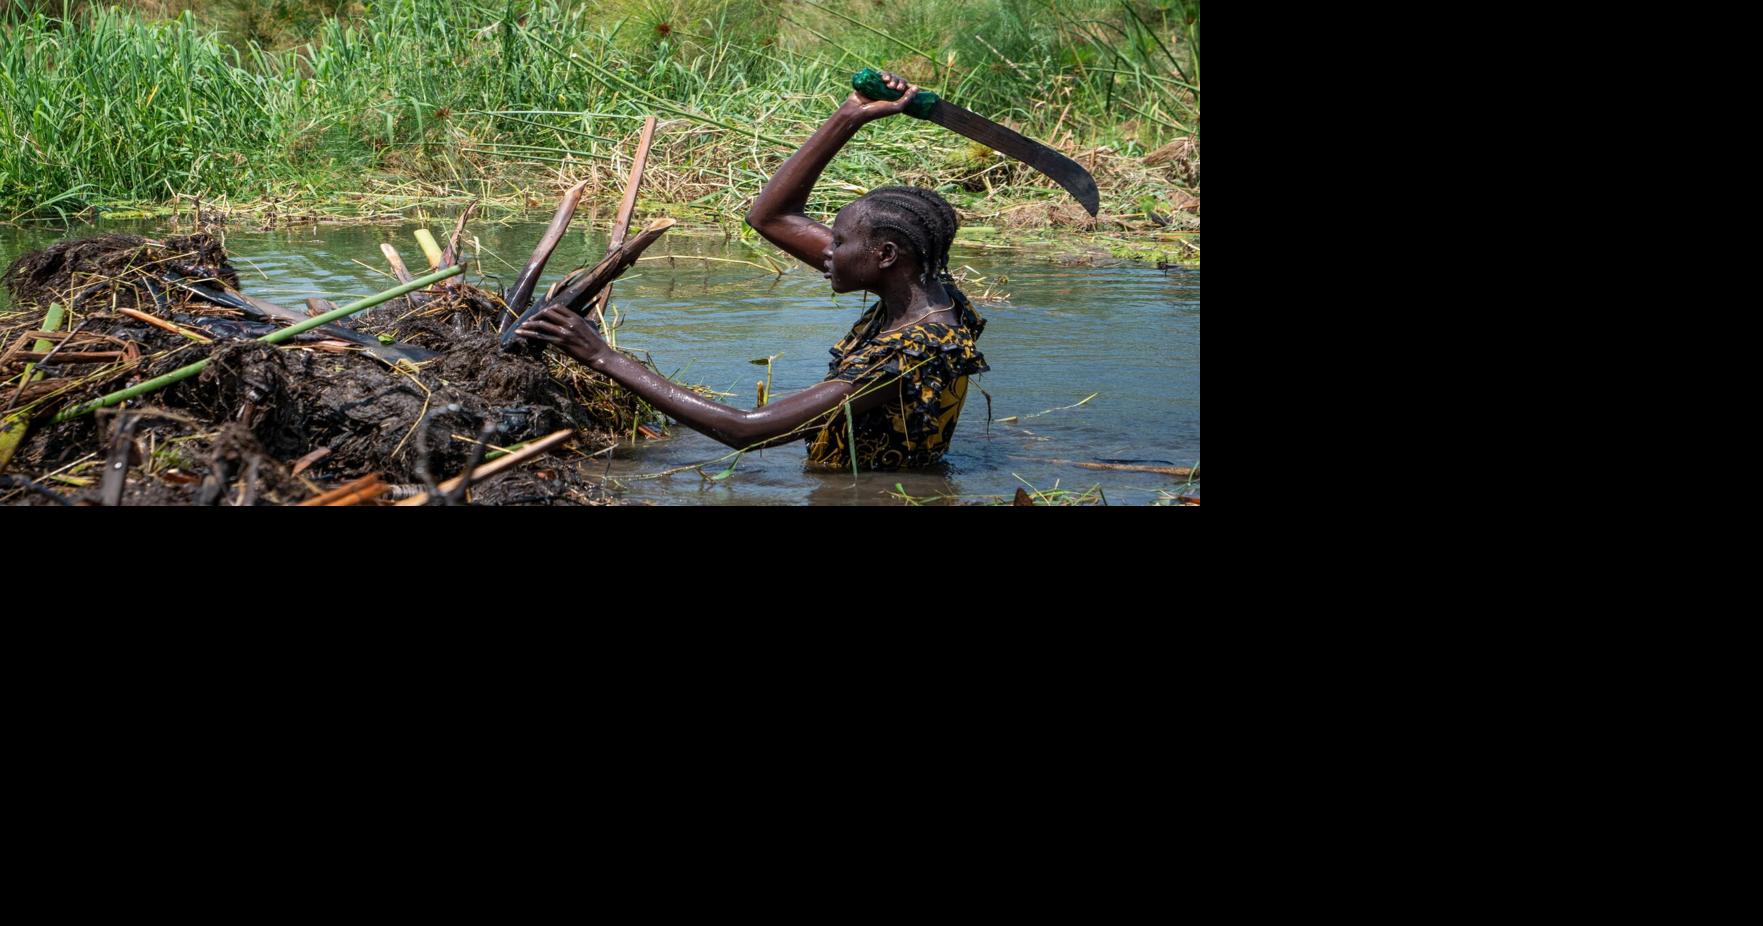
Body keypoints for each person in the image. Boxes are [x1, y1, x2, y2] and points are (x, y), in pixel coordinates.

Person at [515, 70, 989, 471]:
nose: (826, 251)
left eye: (839, 242)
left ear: (885, 256)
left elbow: (746, 432)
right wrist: (850, 113)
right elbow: (772, 218)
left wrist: (602, 356)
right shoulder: (927, 294)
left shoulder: (913, 352)